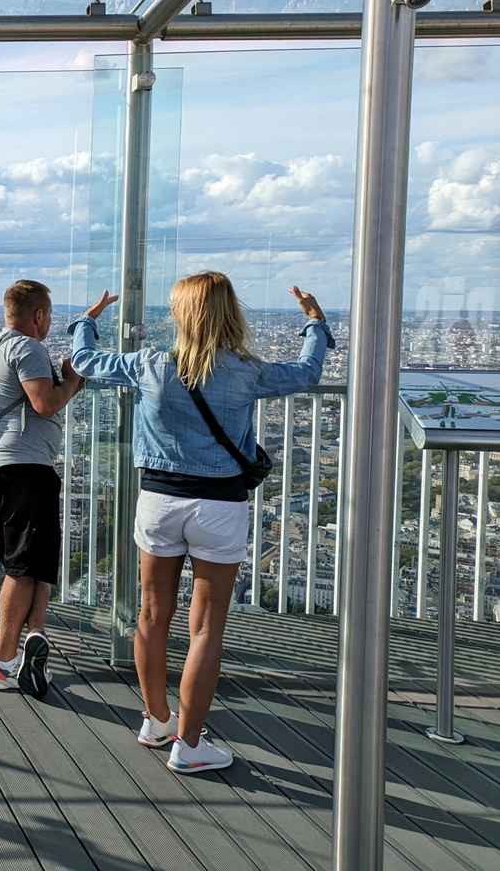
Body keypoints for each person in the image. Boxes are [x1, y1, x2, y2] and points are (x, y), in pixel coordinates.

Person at [70, 272, 331, 773]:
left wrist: (87, 321)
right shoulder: (247, 370)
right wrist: (315, 322)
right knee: (206, 628)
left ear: (179, 315)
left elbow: (85, 362)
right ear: (231, 313)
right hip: (219, 505)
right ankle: (189, 747)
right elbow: (307, 373)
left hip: (160, 500)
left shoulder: (149, 364)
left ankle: (156, 718)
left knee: (150, 615)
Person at [0, 279, 87, 698]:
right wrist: (73, 379)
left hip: (0, 466)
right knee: (23, 567)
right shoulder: (27, 348)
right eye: (50, 315)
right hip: (20, 467)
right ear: (38, 316)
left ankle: (34, 638)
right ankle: (2, 664)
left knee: (38, 561)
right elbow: (45, 403)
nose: (50, 322)